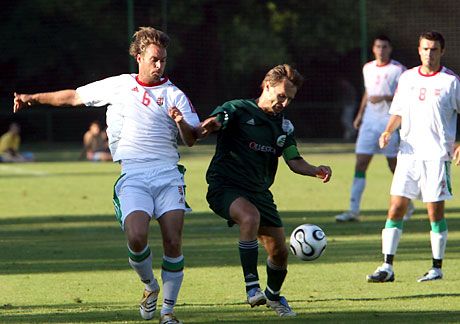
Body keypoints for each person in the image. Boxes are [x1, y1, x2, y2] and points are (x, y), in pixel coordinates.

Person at [13, 26, 203, 324]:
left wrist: (180, 122)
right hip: (134, 174)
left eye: (163, 60)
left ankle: (168, 312)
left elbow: (192, 138)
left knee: (173, 241)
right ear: (139, 57)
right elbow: (74, 97)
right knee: (137, 236)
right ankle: (150, 287)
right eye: (154, 58)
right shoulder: (119, 85)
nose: (159, 65)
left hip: (168, 174)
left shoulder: (174, 95)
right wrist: (33, 97)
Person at [201, 64, 332, 317]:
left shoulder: (284, 127)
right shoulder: (238, 109)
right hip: (224, 186)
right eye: (281, 96)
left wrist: (316, 169)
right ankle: (252, 287)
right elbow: (217, 120)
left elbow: (294, 161)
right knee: (249, 217)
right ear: (267, 85)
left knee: (280, 252)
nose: (284, 103)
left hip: (259, 192)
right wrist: (211, 124)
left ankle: (273, 296)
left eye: (290, 99)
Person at [366, 31, 460, 283]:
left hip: (436, 156)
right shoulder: (407, 78)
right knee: (396, 208)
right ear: (419, 50)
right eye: (425, 49)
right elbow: (398, 111)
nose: (429, 53)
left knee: (434, 213)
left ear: (442, 51)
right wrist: (388, 131)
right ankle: (387, 266)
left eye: (434, 49)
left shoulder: (450, 81)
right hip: (408, 154)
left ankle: (436, 268)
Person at [336, 35, 411, 222]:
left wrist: (385, 97)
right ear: (373, 48)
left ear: (390, 49)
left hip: (389, 122)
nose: (381, 50)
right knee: (361, 163)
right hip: (369, 123)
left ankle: (407, 205)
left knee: (394, 166)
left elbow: (408, 96)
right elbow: (368, 92)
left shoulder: (399, 70)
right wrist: (360, 115)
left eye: (385, 46)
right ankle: (353, 210)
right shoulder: (367, 68)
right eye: (378, 46)